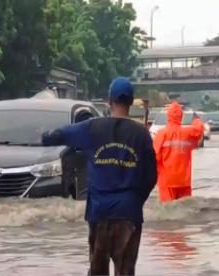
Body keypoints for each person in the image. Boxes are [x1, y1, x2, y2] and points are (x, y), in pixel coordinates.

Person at [42, 77, 157, 275]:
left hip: (99, 212)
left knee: (97, 271)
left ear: (109, 101)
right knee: (126, 271)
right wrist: (136, 200)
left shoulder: (91, 128)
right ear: (131, 102)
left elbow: (58, 135)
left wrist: (43, 136)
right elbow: (151, 176)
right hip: (129, 212)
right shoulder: (142, 135)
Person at [153, 102, 204, 202]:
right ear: (181, 116)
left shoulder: (161, 134)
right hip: (184, 180)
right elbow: (199, 130)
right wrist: (196, 120)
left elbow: (154, 157)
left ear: (168, 115)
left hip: (167, 180)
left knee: (168, 210)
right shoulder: (187, 133)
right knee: (185, 209)